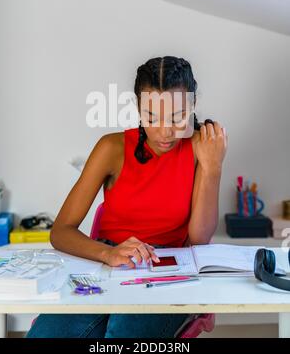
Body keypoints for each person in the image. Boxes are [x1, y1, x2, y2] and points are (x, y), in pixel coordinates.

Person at [26, 55, 227, 338]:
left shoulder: (200, 148)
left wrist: (213, 168)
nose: (165, 131)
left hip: (167, 270)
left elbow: (198, 239)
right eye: (152, 117)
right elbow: (60, 231)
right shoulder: (112, 148)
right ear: (139, 109)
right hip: (105, 263)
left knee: (122, 334)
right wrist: (108, 254)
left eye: (177, 117)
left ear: (192, 106)